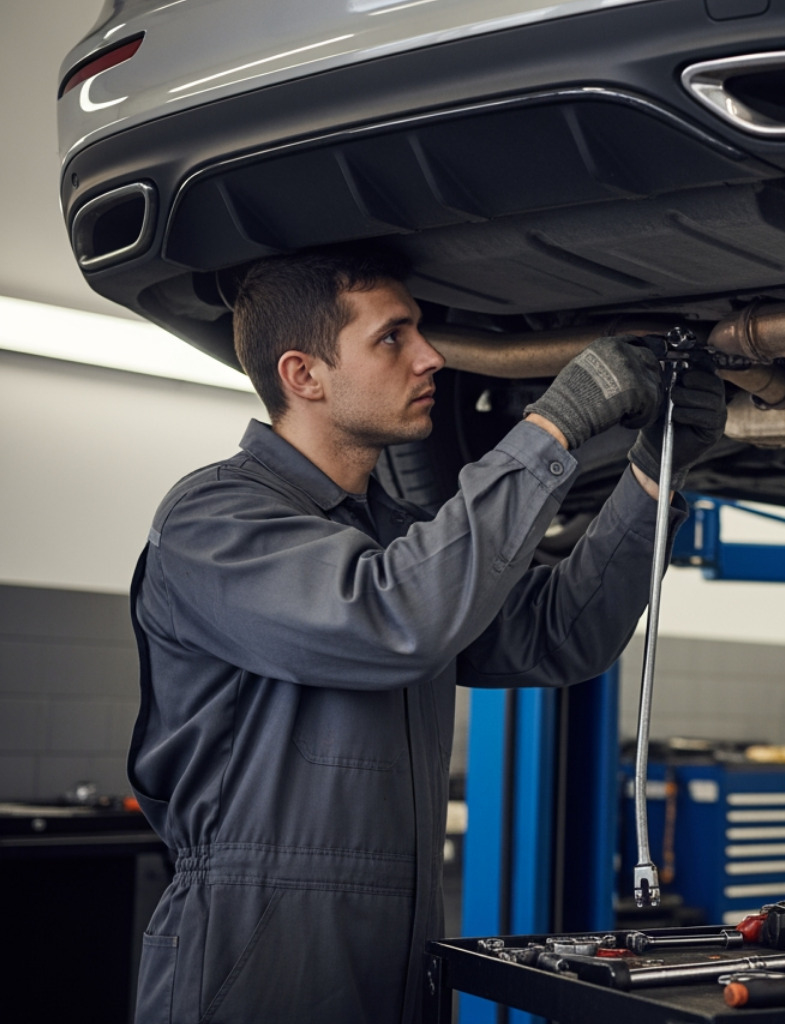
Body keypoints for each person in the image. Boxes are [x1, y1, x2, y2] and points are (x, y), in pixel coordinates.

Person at [125, 249, 726, 1024]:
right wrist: (553, 426)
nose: (431, 356)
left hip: (397, 945)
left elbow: (559, 635)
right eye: (393, 337)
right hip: (255, 950)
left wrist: (656, 472)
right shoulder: (212, 520)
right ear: (304, 375)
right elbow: (393, 617)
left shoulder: (398, 540)